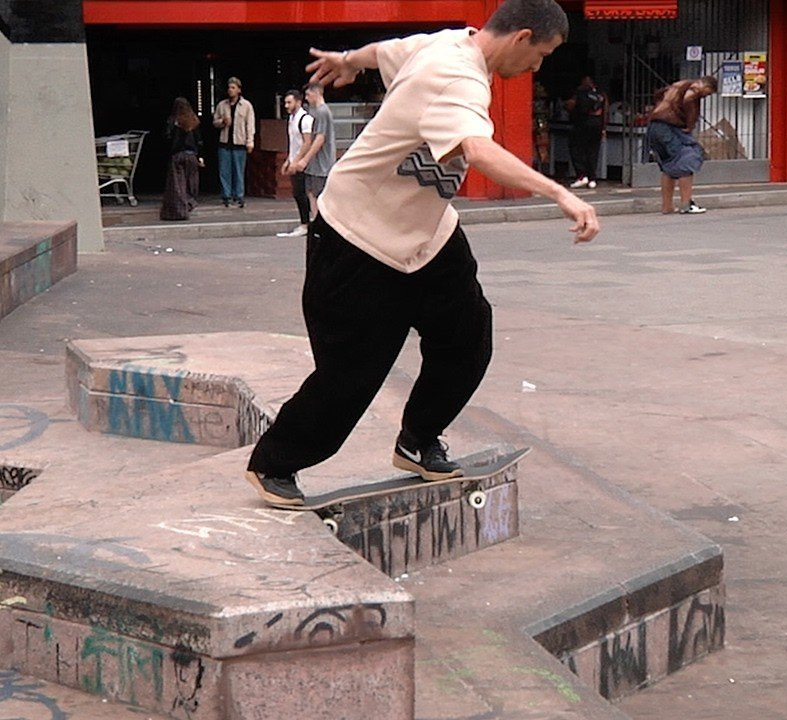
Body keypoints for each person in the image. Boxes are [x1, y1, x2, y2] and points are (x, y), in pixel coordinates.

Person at [244, 0, 600, 507]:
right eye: (540, 55)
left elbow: (386, 51)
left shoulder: (446, 40)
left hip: (428, 237)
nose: (536, 69)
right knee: (353, 370)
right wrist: (561, 193)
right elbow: (477, 150)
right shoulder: (458, 79)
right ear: (521, 37)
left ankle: (417, 440)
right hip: (358, 237)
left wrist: (348, 58)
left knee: (467, 334)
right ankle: (275, 463)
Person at [646, 76, 717, 214]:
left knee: (668, 166)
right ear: (706, 86)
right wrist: (688, 124)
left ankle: (667, 206)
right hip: (669, 128)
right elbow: (687, 98)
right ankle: (686, 204)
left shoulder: (677, 85)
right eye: (708, 93)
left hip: (654, 126)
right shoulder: (693, 90)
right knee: (688, 159)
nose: (706, 96)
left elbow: (659, 94)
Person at [284, 83, 334, 221]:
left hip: (321, 163)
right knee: (310, 193)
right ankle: (315, 223)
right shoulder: (313, 112)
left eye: (308, 95)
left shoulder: (323, 112)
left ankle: (320, 224)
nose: (306, 98)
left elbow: (320, 138)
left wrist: (304, 159)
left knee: (317, 195)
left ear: (317, 93)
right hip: (314, 164)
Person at [212, 76, 255, 208]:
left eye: (233, 88)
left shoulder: (246, 105)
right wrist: (222, 122)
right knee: (224, 171)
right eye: (229, 87)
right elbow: (215, 122)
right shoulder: (222, 105)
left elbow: (250, 125)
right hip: (224, 142)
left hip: (239, 142)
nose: (230, 90)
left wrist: (250, 141)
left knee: (238, 171)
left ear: (239, 90)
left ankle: (239, 196)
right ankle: (226, 196)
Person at [277, 89, 314, 237]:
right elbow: (294, 143)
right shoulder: (292, 119)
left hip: (303, 163)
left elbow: (307, 142)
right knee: (298, 193)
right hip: (294, 159)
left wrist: (297, 160)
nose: (286, 105)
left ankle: (306, 223)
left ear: (298, 102)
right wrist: (288, 160)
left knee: (303, 193)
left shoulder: (305, 119)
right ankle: (304, 222)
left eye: (289, 102)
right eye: (285, 102)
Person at [160, 98, 204, 221]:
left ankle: (179, 210)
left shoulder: (173, 121)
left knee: (178, 184)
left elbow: (168, 138)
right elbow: (199, 141)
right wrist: (200, 156)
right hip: (191, 155)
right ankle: (190, 203)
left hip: (178, 155)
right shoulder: (194, 121)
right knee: (191, 183)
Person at [565, 75, 606, 189]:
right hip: (597, 125)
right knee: (593, 151)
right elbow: (605, 111)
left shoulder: (580, 92)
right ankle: (592, 178)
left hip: (581, 124)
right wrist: (603, 128)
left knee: (577, 149)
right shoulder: (601, 95)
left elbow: (570, 105)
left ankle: (581, 175)